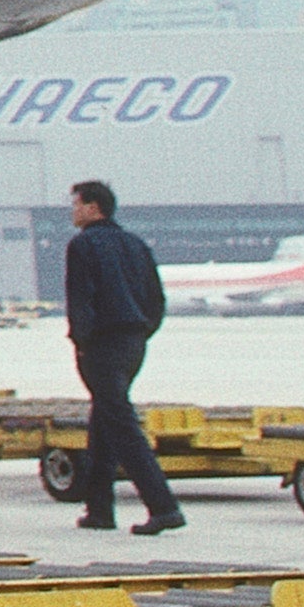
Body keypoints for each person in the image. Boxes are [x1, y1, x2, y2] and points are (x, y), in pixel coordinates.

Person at [63, 176, 185, 534]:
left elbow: (80, 299)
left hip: (101, 344)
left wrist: (81, 341)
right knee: (105, 418)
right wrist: (142, 331)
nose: (72, 212)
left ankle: (163, 506)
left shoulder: (82, 246)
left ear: (92, 207)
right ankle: (99, 509)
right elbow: (156, 299)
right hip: (134, 344)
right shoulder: (135, 244)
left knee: (122, 425)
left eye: (75, 204)